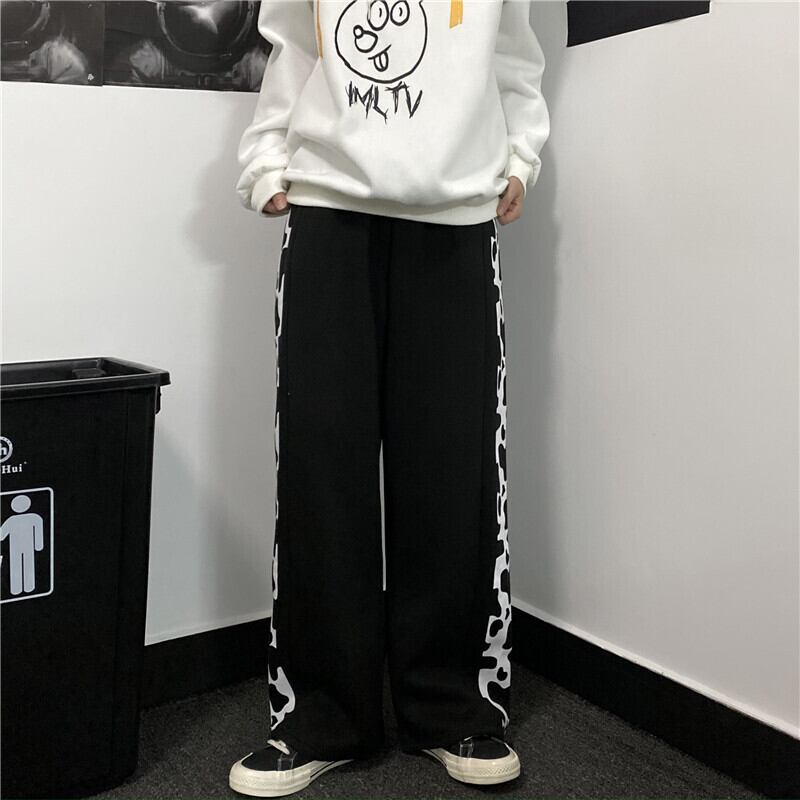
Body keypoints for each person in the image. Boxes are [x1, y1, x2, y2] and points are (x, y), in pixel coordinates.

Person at [229, 0, 549, 795]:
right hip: (329, 205)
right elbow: (292, 43)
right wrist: (266, 159)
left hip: (457, 213)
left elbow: (514, 51)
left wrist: (522, 154)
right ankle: (321, 716)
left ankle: (451, 706)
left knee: (453, 470)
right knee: (321, 468)